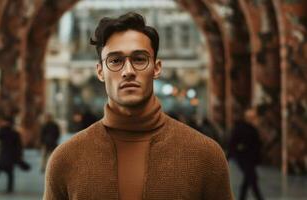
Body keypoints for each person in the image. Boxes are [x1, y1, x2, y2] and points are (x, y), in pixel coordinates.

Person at [43, 12, 233, 199]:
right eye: (115, 61)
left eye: (139, 59)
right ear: (100, 72)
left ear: (156, 68)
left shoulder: (205, 155)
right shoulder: (65, 158)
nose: (128, 71)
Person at [228, 109, 264, 200]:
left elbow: (257, 144)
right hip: (243, 158)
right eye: (252, 117)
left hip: (251, 159)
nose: (254, 119)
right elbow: (232, 143)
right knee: (252, 178)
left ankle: (242, 198)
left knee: (249, 179)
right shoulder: (240, 128)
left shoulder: (253, 128)